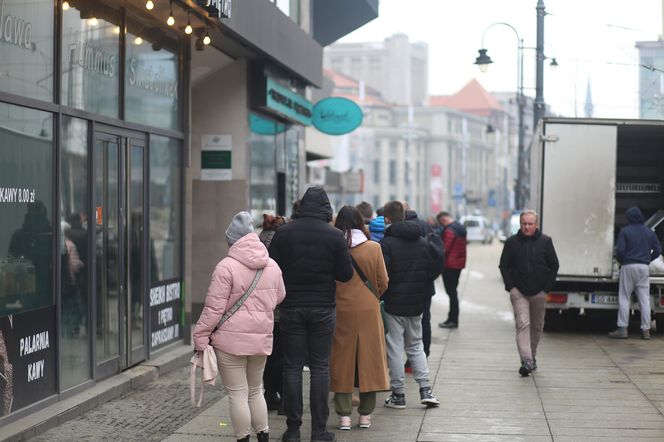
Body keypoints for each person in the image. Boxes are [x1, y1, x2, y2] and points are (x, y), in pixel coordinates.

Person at [268, 186, 353, 442]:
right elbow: (345, 274)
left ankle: (293, 430)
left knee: (292, 367)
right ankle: (318, 431)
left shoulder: (283, 233)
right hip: (323, 308)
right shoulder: (335, 235)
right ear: (326, 206)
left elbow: (273, 269)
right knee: (319, 368)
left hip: (291, 307)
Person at [194, 211, 286, 442]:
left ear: (232, 241)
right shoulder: (272, 265)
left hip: (230, 343)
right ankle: (263, 436)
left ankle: (243, 438)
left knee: (237, 394)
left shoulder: (225, 267)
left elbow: (213, 309)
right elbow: (280, 295)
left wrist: (201, 337)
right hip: (261, 338)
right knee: (256, 391)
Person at [330, 206, 389, 431]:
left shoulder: (334, 248)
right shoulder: (374, 248)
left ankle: (344, 416)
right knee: (369, 360)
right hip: (368, 309)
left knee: (341, 360)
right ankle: (365, 415)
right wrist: (371, 297)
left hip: (340, 308)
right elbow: (383, 281)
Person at [379, 201, 440, 409]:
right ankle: (425, 389)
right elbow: (432, 269)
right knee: (416, 345)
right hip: (416, 302)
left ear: (387, 219)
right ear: (404, 216)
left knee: (395, 347)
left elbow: (382, 276)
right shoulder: (422, 242)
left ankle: (398, 395)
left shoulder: (386, 244)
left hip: (394, 303)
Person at [499, 210, 559, 377]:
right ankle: (526, 360)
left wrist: (546, 289)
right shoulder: (511, 243)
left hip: (539, 292)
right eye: (524, 223)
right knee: (522, 324)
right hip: (519, 292)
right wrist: (511, 287)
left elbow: (554, 265)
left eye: (530, 224)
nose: (526, 227)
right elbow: (503, 266)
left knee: (537, 326)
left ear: (536, 225)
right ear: (520, 224)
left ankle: (532, 356)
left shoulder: (546, 242)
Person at [609, 206, 662, 340]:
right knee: (644, 299)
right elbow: (658, 249)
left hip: (628, 266)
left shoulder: (625, 231)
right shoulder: (649, 232)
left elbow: (620, 251)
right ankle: (646, 331)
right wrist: (648, 260)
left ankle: (622, 330)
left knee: (624, 297)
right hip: (643, 267)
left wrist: (622, 261)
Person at [258, 214, 288, 412]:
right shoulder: (284, 243)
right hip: (281, 309)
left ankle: (269, 394)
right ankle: (283, 395)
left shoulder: (258, 244)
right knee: (283, 355)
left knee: (267, 356)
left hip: (261, 310)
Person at [437, 211, 467, 329]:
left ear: (443, 220)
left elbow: (445, 248)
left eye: (441, 223)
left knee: (451, 293)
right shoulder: (460, 227)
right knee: (453, 292)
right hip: (458, 264)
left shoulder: (449, 230)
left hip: (450, 265)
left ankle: (452, 320)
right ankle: (452, 318)